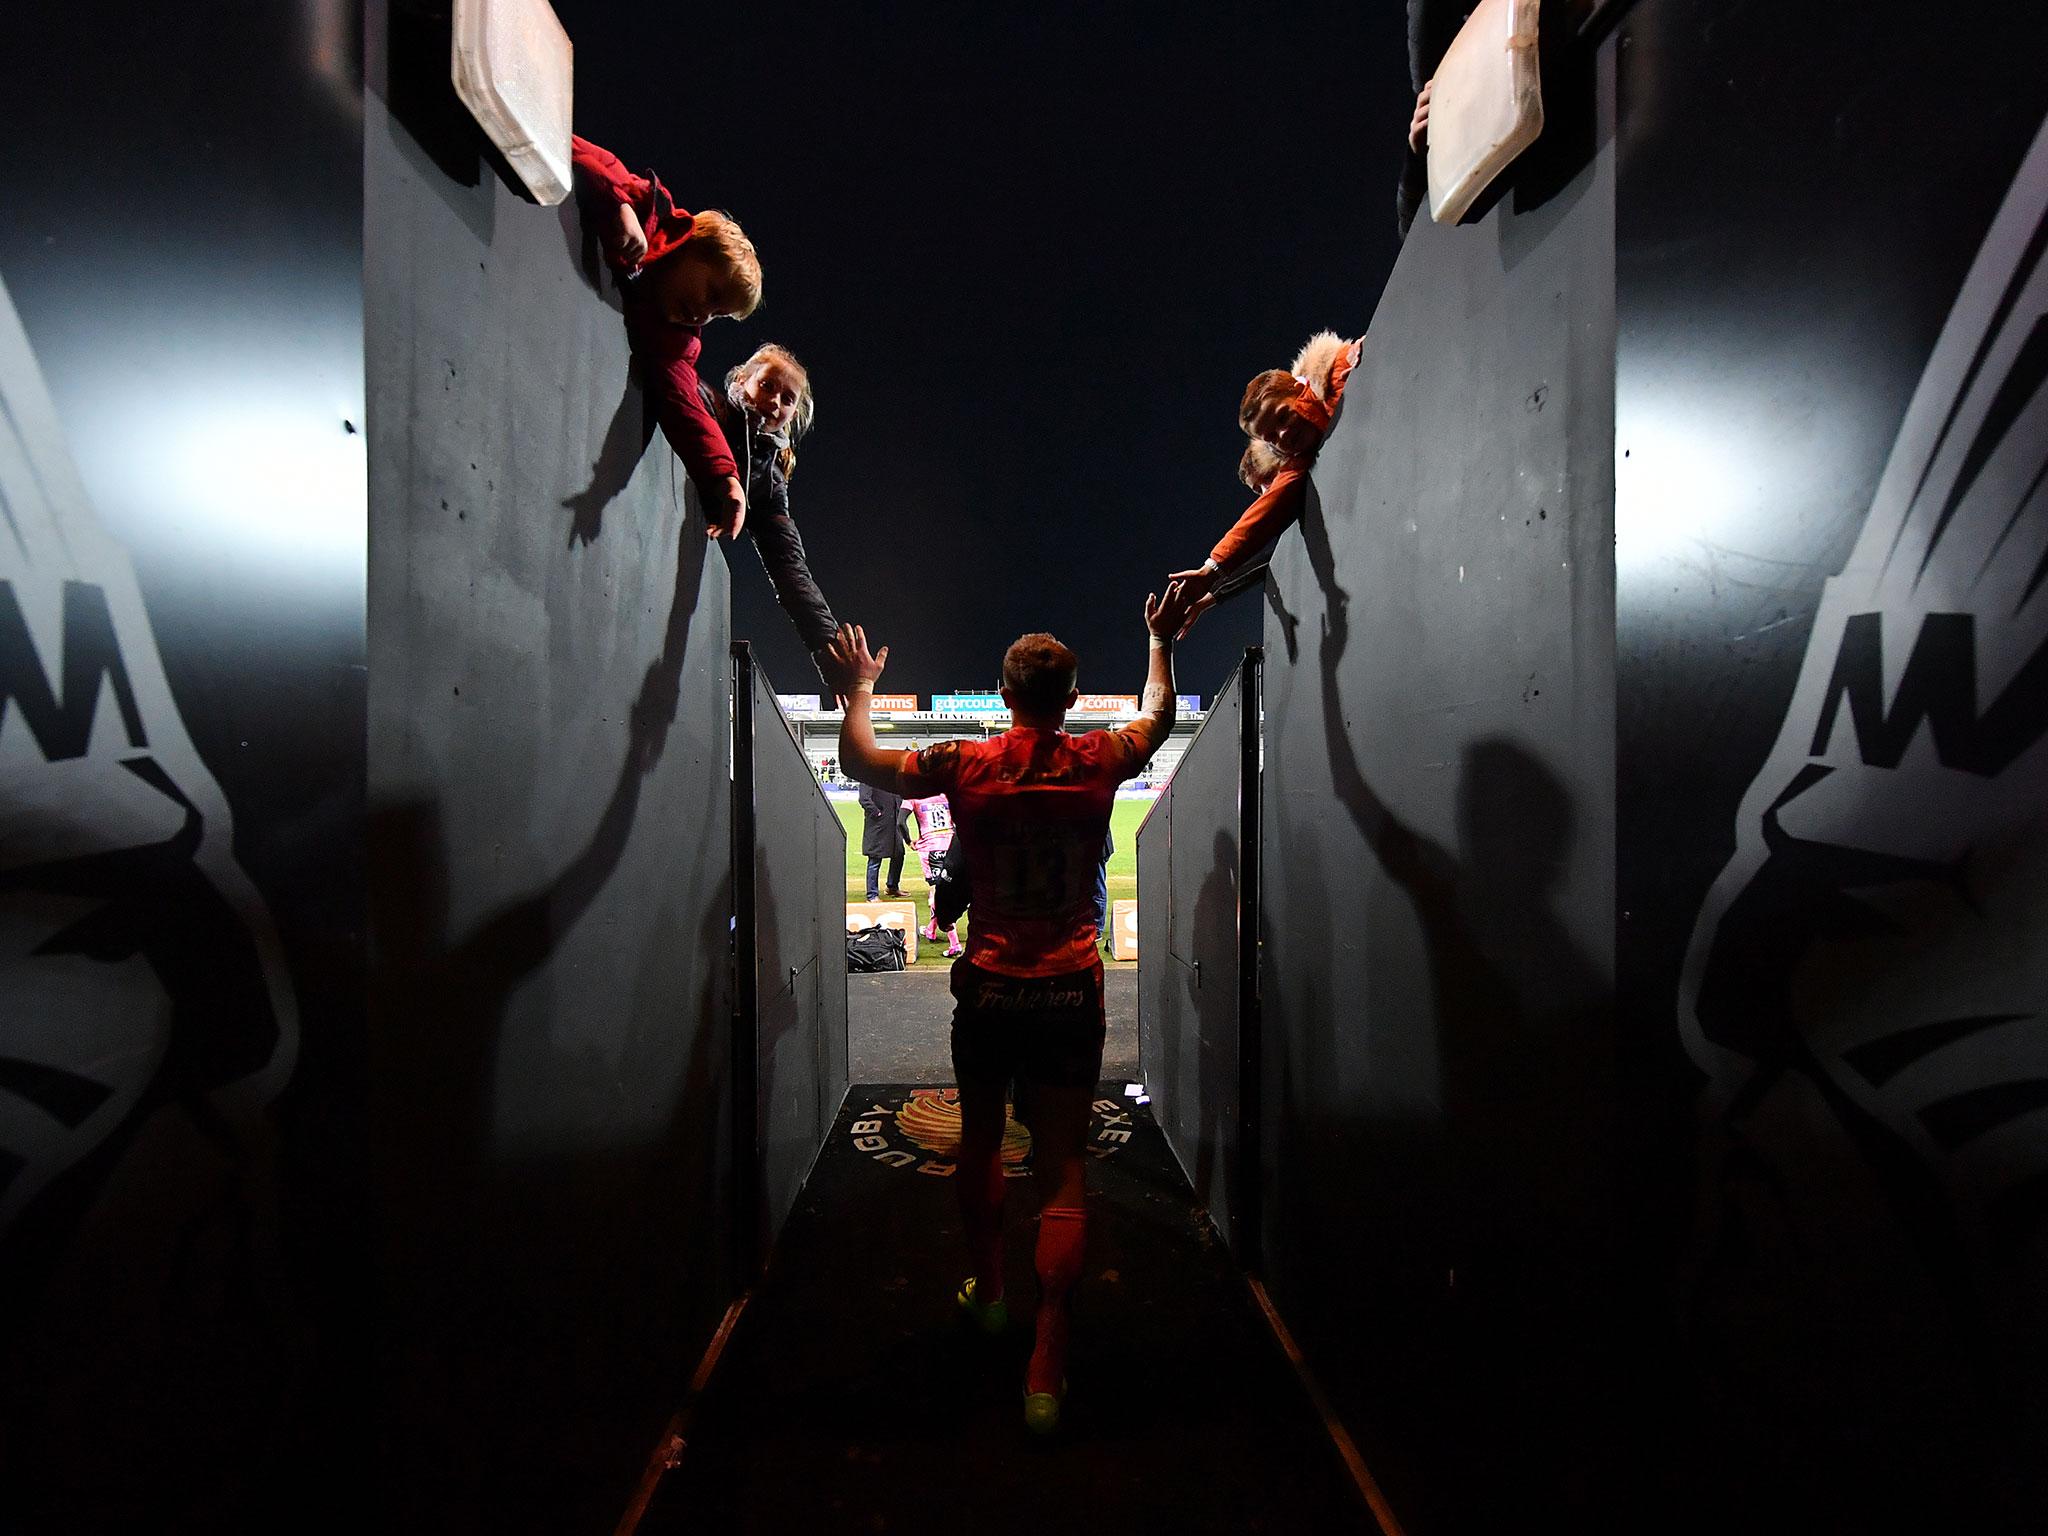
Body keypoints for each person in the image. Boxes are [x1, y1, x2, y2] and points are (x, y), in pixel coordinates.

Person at [825, 585, 1191, 1434]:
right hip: (1070, 989)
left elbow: (859, 761)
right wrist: (1161, 643)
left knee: (984, 1141)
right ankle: (1047, 1351)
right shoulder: (1098, 760)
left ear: (1001, 696)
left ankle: (991, 1293)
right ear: (1069, 699)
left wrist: (858, 693)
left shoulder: (964, 764)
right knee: (1063, 1165)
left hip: (989, 986)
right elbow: (1158, 718)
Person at [570, 135, 762, 538]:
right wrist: (619, 206)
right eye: (712, 294)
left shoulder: (673, 340)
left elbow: (684, 404)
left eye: (718, 314)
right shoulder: (650, 209)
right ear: (693, 246)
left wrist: (726, 477)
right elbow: (580, 152)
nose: (705, 315)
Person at [1167, 330, 1360, 629]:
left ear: (1300, 390)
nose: (1283, 434)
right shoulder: (1300, 458)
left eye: (1283, 417)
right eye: (1271, 437)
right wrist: (1211, 572)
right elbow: (1265, 515)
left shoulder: (1343, 372)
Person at [702, 344, 844, 695]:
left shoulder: (767, 480)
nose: (774, 402)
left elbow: (790, 569)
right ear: (741, 379)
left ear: (793, 413)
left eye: (787, 398)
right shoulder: (704, 405)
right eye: (766, 386)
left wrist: (832, 656)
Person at [906, 792, 965, 958]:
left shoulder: (913, 795)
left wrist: (908, 840)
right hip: (951, 845)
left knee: (937, 893)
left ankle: (955, 944)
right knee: (944, 887)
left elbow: (900, 822)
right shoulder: (945, 793)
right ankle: (931, 930)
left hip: (930, 848)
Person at [858, 780, 905, 901]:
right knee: (875, 859)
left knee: (899, 854)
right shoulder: (868, 777)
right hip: (878, 826)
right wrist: (877, 813)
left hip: (894, 825)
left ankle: (892, 886)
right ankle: (872, 894)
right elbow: (864, 799)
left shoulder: (891, 776)